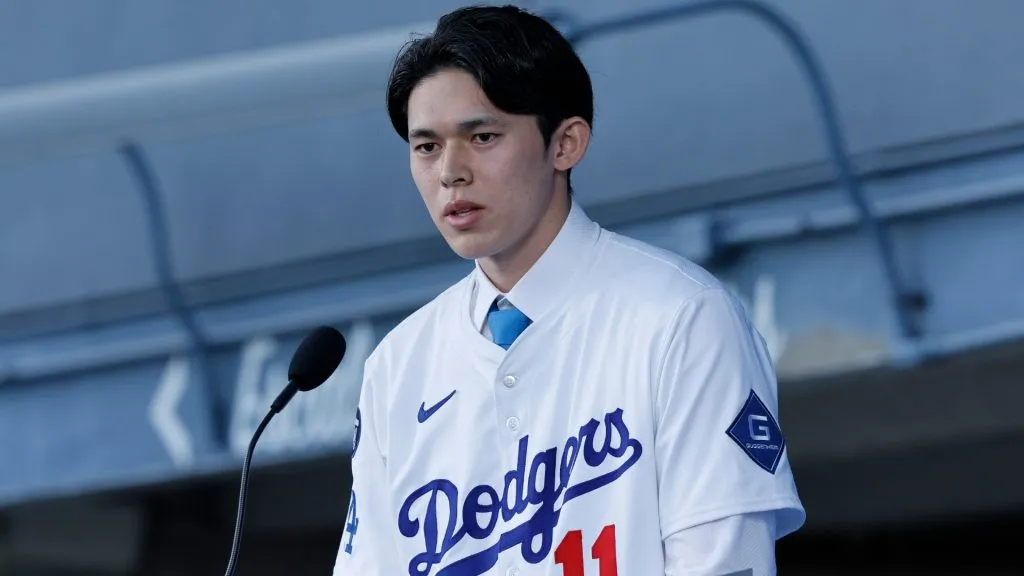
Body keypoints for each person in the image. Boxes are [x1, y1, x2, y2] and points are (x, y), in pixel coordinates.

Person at [332, 5, 805, 575]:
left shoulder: (681, 316)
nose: (450, 172)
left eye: (482, 136)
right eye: (426, 147)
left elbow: (727, 564)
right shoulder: (396, 366)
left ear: (566, 144)